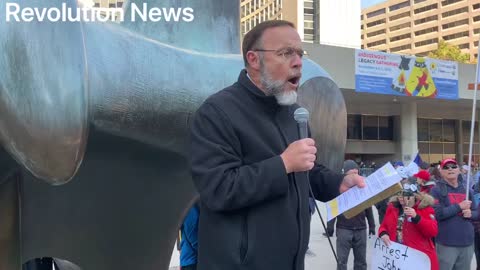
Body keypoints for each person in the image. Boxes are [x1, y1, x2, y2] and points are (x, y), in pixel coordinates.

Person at [189, 20, 365, 270]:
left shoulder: (294, 113)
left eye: (299, 53)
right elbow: (218, 189)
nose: (298, 62)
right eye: (285, 53)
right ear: (253, 59)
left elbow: (306, 170)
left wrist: (338, 182)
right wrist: (282, 164)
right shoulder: (217, 112)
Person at [430, 158, 479, 270]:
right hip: (446, 243)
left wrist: (471, 213)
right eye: (446, 167)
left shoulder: (467, 190)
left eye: (453, 166)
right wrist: (459, 206)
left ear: (459, 170)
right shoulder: (436, 190)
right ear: (441, 171)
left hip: (467, 242)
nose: (450, 169)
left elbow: (477, 213)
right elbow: (438, 214)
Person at [378, 183, 438, 270]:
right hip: (397, 254)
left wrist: (416, 217)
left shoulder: (424, 208)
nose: (402, 197)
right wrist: (383, 233)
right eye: (399, 193)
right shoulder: (393, 207)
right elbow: (384, 226)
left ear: (415, 196)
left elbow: (432, 231)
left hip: (418, 255)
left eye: (406, 194)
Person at [334, 160, 375, 270]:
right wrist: (330, 226)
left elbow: (369, 208)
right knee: (342, 261)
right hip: (344, 229)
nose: (354, 176)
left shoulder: (362, 188)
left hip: (360, 229)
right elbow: (334, 208)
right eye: (351, 173)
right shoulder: (339, 189)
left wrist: (372, 225)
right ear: (345, 174)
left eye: (356, 173)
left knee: (361, 262)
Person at [179, 202, 199, 270]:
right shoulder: (190, 205)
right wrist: (201, 250)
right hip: (192, 260)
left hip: (188, 259)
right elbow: (191, 229)